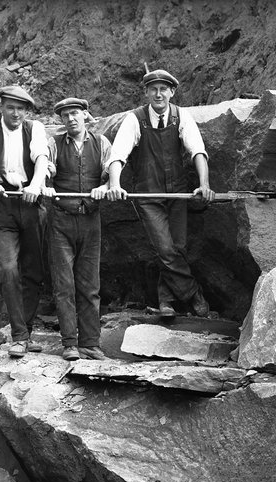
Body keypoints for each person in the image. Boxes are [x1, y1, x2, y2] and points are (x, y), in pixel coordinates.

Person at [104, 68, 214, 318]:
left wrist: (204, 184)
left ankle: (166, 301)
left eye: (163, 89)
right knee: (165, 249)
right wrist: (114, 184)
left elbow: (198, 151)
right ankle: (194, 293)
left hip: (177, 195)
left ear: (172, 92)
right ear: (146, 92)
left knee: (178, 248)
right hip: (148, 197)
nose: (158, 94)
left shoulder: (181, 117)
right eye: (153, 89)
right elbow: (118, 155)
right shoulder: (135, 119)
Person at [0, 85, 51, 357]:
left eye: (21, 108)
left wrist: (36, 185)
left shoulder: (35, 128)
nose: (15, 113)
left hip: (31, 203)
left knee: (35, 272)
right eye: (10, 107)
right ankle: (19, 335)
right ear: (1, 108)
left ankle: (25, 331)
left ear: (26, 111)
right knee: (8, 269)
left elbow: (41, 158)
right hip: (1, 206)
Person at [42, 97, 111, 361]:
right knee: (64, 285)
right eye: (65, 115)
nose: (71, 119)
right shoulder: (54, 144)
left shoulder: (101, 143)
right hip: (61, 220)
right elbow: (44, 169)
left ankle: (91, 344)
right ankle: (70, 343)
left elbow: (111, 174)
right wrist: (45, 184)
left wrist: (105, 189)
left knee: (90, 284)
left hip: (91, 220)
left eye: (75, 114)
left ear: (85, 115)